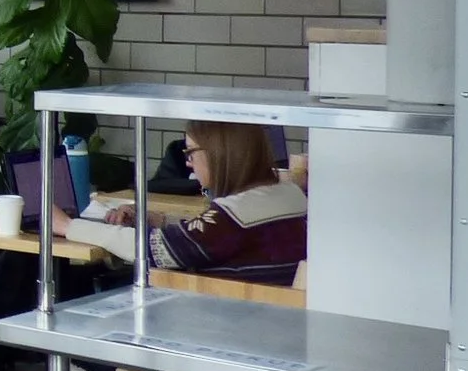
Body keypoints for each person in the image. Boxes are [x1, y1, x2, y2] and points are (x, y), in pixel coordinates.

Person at [77, 120, 308, 286]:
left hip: (228, 324)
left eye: (191, 152)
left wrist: (67, 225)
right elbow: (206, 237)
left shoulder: (232, 215)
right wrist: (158, 220)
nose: (188, 163)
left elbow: (150, 250)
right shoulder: (292, 196)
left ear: (219, 153)